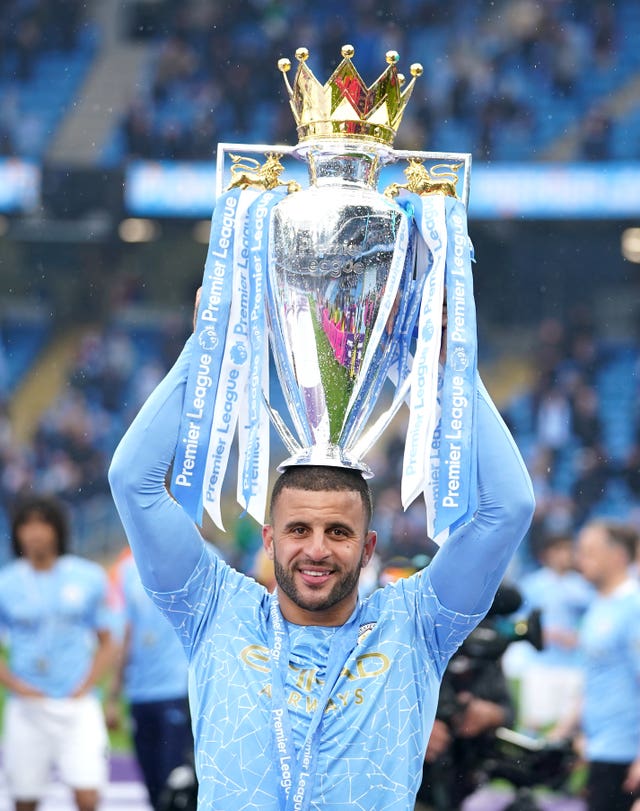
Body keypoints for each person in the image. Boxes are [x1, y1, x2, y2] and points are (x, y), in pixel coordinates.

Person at [108, 318, 535, 810]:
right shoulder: (215, 610)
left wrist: (447, 370)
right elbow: (132, 480)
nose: (316, 550)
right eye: (298, 530)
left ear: (369, 547)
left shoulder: (415, 625)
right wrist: (208, 344)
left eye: (338, 532)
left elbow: (508, 509)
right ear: (269, 540)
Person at [0, 495, 113, 811]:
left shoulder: (89, 576)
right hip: (26, 705)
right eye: (28, 524)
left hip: (76, 703)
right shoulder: (6, 584)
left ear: (57, 530)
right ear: (18, 531)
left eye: (43, 523)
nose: (35, 532)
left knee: (88, 794)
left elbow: (108, 639)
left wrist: (86, 685)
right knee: (25, 797)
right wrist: (17, 685)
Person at [553, 520, 640, 811]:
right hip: (599, 750)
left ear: (617, 556)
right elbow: (593, 681)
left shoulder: (634, 607)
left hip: (627, 758)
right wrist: (564, 732)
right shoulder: (596, 607)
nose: (580, 559)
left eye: (589, 551)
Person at [106, 551, 195, 811]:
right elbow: (127, 630)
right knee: (153, 788)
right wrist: (113, 695)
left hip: (180, 690)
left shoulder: (201, 557)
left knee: (178, 785)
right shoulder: (126, 570)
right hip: (140, 691)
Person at [512, 531, 594, 731]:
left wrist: (578, 636)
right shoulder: (532, 585)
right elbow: (517, 620)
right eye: (559, 550)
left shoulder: (583, 586)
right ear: (546, 555)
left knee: (572, 724)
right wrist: (544, 632)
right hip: (541, 662)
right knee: (534, 723)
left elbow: (594, 618)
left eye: (568, 550)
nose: (565, 555)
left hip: (574, 663)